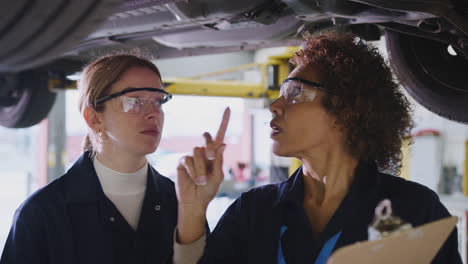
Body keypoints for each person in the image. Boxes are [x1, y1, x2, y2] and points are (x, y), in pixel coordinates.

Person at [174, 31, 463, 263]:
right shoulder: (254, 210)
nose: (275, 105)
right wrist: (193, 211)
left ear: (347, 110)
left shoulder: (413, 210)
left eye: (294, 92)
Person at [0, 53, 211, 264]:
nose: (153, 113)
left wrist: (193, 214)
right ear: (94, 118)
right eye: (135, 101)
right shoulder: (42, 213)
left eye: (158, 101)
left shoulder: (181, 203)